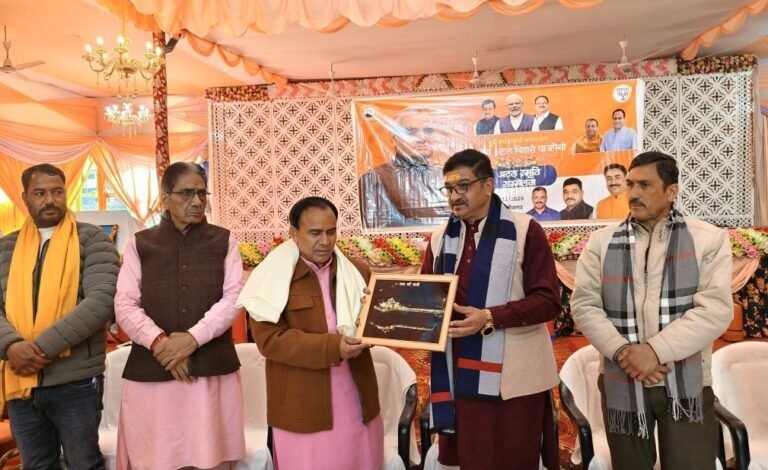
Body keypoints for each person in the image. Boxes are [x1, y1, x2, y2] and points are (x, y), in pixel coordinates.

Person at [571, 151, 732, 469]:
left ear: (671, 191)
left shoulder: (708, 239)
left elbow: (714, 310)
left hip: (684, 381)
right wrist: (623, 352)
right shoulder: (601, 242)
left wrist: (654, 351)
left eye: (645, 185)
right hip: (622, 380)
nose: (633, 193)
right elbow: (585, 304)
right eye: (630, 184)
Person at [423, 149, 560, 469]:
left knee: (515, 457)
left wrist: (490, 317)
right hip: (458, 373)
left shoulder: (525, 230)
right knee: (470, 458)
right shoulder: (440, 238)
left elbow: (548, 300)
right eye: (449, 188)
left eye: (463, 186)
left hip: (514, 377)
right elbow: (427, 298)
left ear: (488, 185)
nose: (454, 196)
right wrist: (386, 306)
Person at [114, 162, 245, 469]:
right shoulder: (141, 243)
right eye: (186, 193)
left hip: (210, 371)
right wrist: (161, 343)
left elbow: (234, 298)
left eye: (202, 193)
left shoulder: (223, 240)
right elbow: (125, 304)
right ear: (165, 198)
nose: (197, 201)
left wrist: (192, 339)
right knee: (156, 457)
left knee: (211, 456)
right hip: (153, 372)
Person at [240, 197, 383, 470]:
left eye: (331, 232)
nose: (325, 241)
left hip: (356, 396)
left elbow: (374, 326)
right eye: (315, 233)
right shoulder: (271, 278)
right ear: (293, 233)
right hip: (301, 401)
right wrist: (333, 347)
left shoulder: (356, 271)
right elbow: (270, 341)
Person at [0, 163, 119, 469]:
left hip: (75, 380)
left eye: (57, 192)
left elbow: (100, 302)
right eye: (40, 193)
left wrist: (38, 349)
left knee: (83, 463)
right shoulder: (5, 248)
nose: (50, 200)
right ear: (25, 197)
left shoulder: (93, 240)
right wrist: (12, 346)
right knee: (36, 465)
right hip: (21, 380)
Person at [358, 107, 451, 228]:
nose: (422, 138)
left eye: (428, 131)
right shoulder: (376, 178)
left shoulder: (444, 175)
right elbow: (376, 228)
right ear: (394, 139)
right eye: (411, 132)